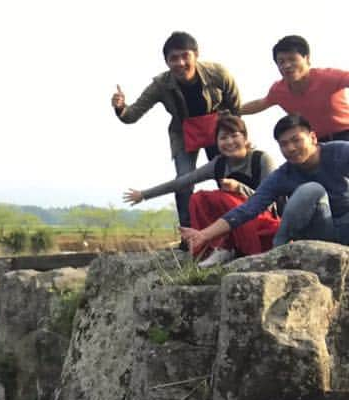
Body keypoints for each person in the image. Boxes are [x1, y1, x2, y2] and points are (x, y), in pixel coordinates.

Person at [112, 31, 241, 228]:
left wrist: (236, 138)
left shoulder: (218, 74)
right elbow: (131, 115)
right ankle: (188, 234)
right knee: (184, 181)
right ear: (166, 62)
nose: (180, 63)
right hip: (184, 133)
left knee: (228, 178)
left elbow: (236, 108)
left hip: (218, 129)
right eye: (173, 58)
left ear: (196, 55)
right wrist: (120, 107)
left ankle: (238, 225)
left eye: (185, 56)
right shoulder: (161, 85)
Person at [124, 113, 278, 267]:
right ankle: (212, 250)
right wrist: (144, 195)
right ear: (216, 143)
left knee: (223, 198)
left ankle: (233, 249)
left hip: (263, 221)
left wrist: (239, 188)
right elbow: (182, 182)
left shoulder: (261, 159)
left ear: (245, 138)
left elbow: (271, 201)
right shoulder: (219, 164)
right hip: (233, 222)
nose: (229, 142)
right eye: (223, 138)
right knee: (199, 198)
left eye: (234, 136)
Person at [182, 114, 349, 254]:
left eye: (296, 140)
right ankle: (280, 252)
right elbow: (248, 209)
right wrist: (204, 234)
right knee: (311, 190)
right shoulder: (283, 175)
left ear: (312, 138)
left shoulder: (340, 152)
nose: (291, 148)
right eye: (284, 144)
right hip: (319, 233)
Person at [240, 36, 349, 142]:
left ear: (307, 58)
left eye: (292, 59)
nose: (287, 65)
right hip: (315, 143)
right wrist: (231, 111)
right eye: (281, 62)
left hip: (345, 133)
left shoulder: (329, 77)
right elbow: (261, 103)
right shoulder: (278, 90)